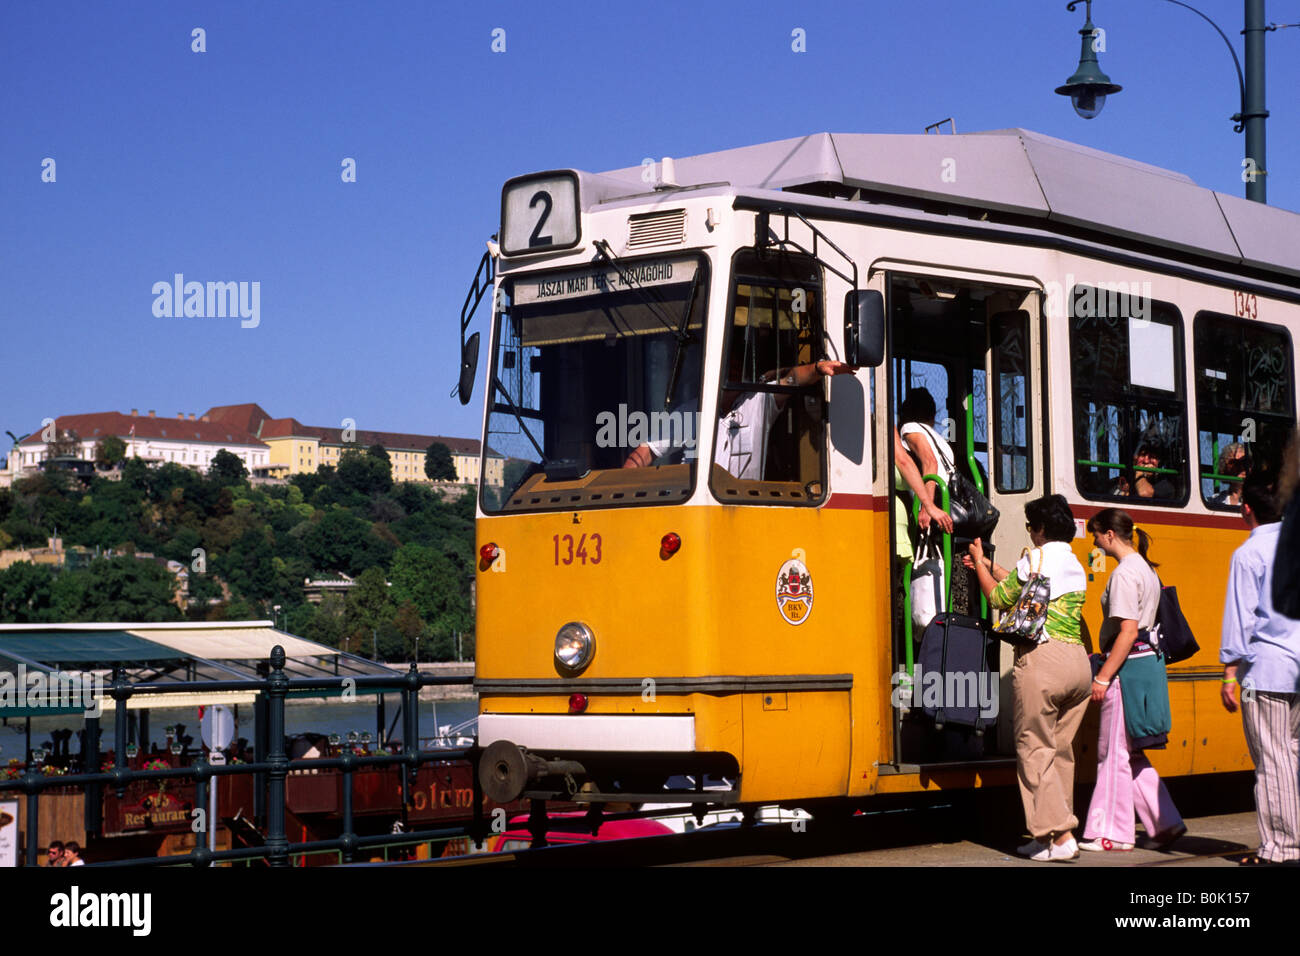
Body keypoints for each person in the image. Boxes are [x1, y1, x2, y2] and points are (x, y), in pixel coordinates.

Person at [965, 494, 1090, 862]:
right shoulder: (1073, 562)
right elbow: (1028, 589)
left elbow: (998, 597)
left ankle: (1063, 834)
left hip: (1044, 661)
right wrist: (990, 564)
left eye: (1030, 527)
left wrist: (977, 561)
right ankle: (1048, 836)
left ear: (1039, 530)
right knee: (1060, 753)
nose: (1031, 533)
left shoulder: (1035, 557)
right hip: (1078, 665)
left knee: (1034, 750)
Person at [1078, 509, 1185, 852]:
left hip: (1126, 672)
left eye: (1096, 534)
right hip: (1147, 667)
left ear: (1110, 535)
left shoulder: (1124, 574)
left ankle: (1111, 833)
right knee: (1132, 753)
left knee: (1112, 753)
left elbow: (1126, 631)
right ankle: (1164, 821)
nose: (1094, 541)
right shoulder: (1145, 569)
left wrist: (1103, 676)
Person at [1219, 471, 1300, 865]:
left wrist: (1229, 674)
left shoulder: (1248, 554)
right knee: (1294, 755)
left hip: (1265, 672)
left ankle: (1282, 849)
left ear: (1246, 508)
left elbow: (1240, 620)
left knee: (1272, 760)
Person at [623, 358, 855, 476]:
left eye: (735, 371)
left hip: (742, 509)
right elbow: (647, 451)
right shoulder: (690, 411)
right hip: (693, 510)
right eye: (724, 369)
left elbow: (791, 380)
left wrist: (816, 368)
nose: (729, 376)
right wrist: (623, 487)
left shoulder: (759, 401)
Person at [898, 388, 957, 627]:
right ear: (932, 415)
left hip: (935, 506)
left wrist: (926, 505)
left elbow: (929, 462)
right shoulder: (940, 438)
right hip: (948, 509)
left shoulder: (909, 429)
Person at [1111, 442, 1176, 499]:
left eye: (1152, 457)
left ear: (1158, 463)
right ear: (1135, 459)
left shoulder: (1165, 486)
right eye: (1142, 455)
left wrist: (1139, 473)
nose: (1146, 461)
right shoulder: (1119, 482)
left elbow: (1145, 494)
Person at [1209, 442, 1250, 507]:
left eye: (1245, 462)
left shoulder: (1258, 500)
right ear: (1225, 468)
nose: (1241, 467)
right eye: (1234, 463)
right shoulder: (1215, 501)